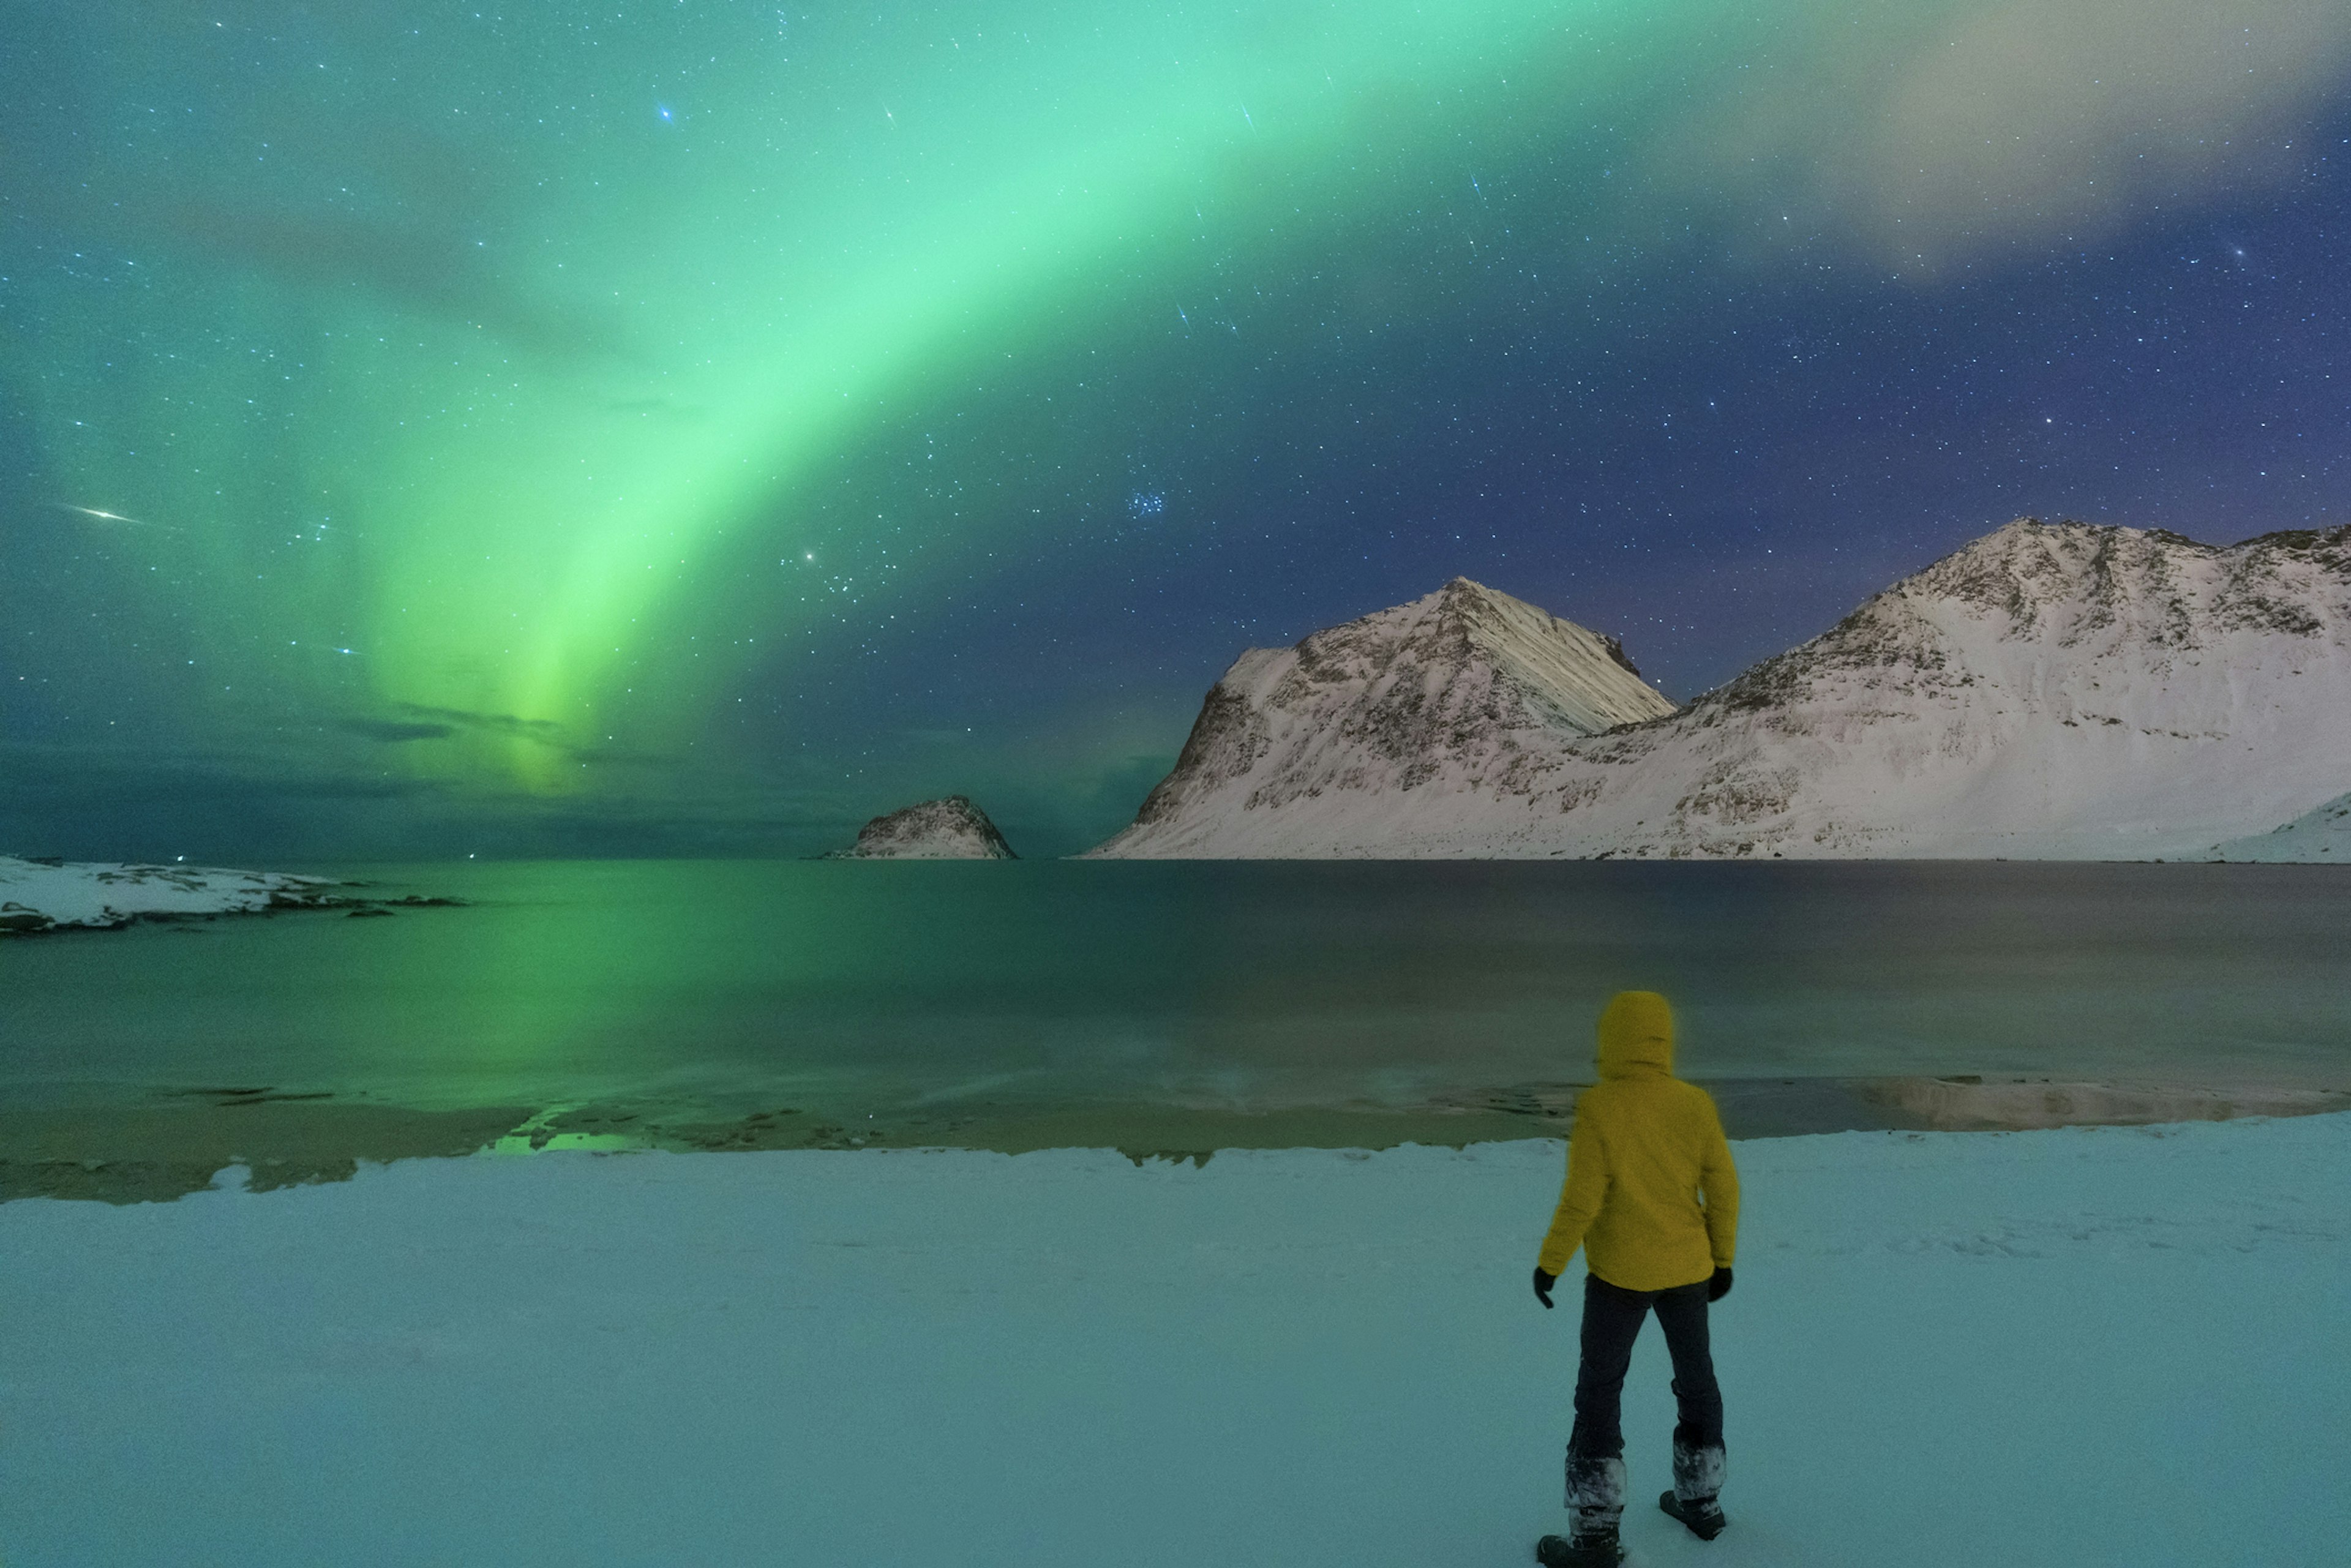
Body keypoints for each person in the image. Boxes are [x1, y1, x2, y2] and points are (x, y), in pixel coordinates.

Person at [1531, 991, 1739, 1567]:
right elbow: (1724, 1186)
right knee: (1697, 1382)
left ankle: (1595, 1536)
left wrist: (1551, 1262)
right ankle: (1702, 1501)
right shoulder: (1694, 1103)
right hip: (1687, 1271)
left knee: (1600, 1391)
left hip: (1618, 1277)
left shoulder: (1602, 1106)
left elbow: (1582, 1197)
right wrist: (1722, 1259)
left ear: (1612, 1040)